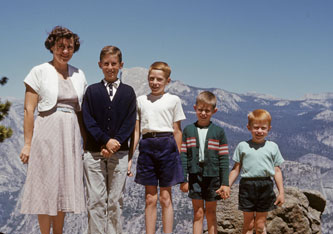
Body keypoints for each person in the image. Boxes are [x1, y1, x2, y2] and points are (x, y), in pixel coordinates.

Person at [19, 26, 87, 234]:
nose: (65, 51)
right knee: (45, 186)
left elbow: (81, 113)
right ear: (52, 47)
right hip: (47, 130)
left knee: (63, 187)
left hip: (70, 133)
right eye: (61, 47)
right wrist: (28, 144)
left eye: (69, 47)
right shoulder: (39, 71)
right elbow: (29, 109)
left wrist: (87, 143)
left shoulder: (78, 74)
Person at [82, 45, 136, 234]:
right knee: (96, 201)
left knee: (115, 202)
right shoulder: (92, 91)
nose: (110, 67)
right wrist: (105, 141)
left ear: (121, 65)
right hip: (94, 153)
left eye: (114, 64)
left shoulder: (128, 92)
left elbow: (130, 122)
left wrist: (114, 144)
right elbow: (88, 121)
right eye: (106, 64)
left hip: (119, 154)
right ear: (99, 65)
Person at [130, 61, 185, 234]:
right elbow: (137, 131)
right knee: (149, 198)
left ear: (167, 81)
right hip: (147, 146)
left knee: (165, 197)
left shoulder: (174, 100)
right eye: (151, 78)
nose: (155, 82)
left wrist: (178, 156)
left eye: (159, 79)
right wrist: (131, 157)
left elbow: (177, 130)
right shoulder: (140, 101)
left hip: (167, 145)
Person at [180, 91, 230, 234]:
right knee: (198, 212)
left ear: (214, 111)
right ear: (195, 108)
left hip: (213, 177)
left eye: (207, 110)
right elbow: (183, 155)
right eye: (200, 109)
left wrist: (225, 183)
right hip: (195, 177)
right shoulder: (188, 130)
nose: (203, 113)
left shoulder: (218, 132)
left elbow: (224, 159)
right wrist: (183, 179)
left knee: (211, 213)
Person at [229, 109, 285, 234]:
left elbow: (277, 170)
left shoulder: (273, 147)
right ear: (249, 127)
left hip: (265, 186)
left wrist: (281, 192)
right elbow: (235, 169)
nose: (259, 131)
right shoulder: (242, 146)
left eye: (263, 128)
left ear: (269, 129)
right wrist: (227, 186)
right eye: (256, 127)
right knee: (248, 225)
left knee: (260, 225)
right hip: (247, 186)